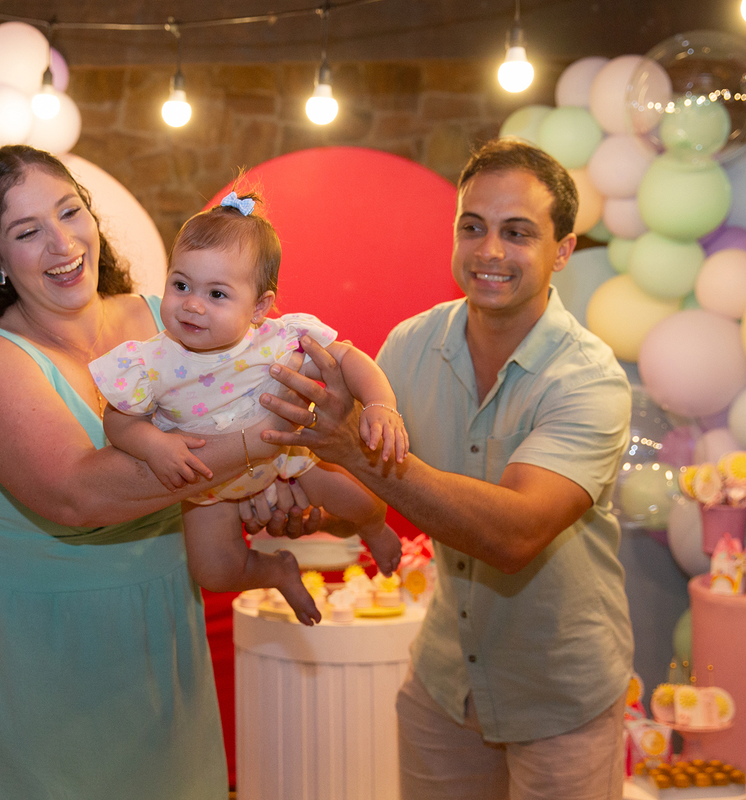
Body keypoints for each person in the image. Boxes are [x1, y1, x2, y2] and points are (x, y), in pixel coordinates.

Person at [0, 145, 305, 799]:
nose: (62, 242)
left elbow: (234, 422)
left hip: (159, 623)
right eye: (27, 231)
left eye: (69, 212)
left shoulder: (162, 317)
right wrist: (258, 445)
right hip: (34, 649)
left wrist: (259, 491)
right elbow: (76, 495)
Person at [259, 138, 634, 799]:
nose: (490, 251)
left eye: (517, 233)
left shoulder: (590, 379)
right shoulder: (412, 344)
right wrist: (317, 506)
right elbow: (365, 479)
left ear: (564, 250)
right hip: (443, 683)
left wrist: (346, 451)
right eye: (473, 227)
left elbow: (514, 535)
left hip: (561, 698)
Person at [89, 190, 406, 626]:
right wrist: (151, 445)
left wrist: (379, 403)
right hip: (210, 482)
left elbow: (348, 357)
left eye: (217, 294)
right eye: (181, 285)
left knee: (357, 499)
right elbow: (118, 416)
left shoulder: (275, 340)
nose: (193, 304)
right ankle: (276, 570)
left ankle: (373, 527)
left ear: (259, 307)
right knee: (213, 571)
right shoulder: (150, 361)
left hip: (284, 457)